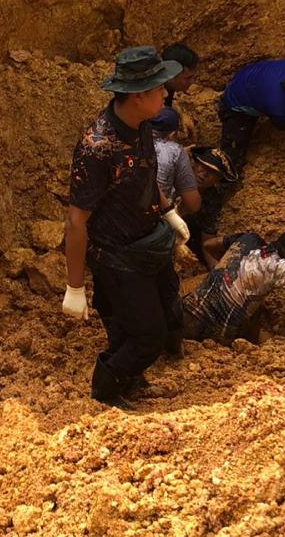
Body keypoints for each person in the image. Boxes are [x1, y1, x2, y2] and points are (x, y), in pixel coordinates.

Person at [62, 47, 191, 406]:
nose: (165, 93)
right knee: (147, 336)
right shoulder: (98, 147)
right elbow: (76, 220)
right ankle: (105, 390)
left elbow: (147, 174)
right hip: (116, 254)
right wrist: (75, 286)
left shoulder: (142, 125)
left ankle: (131, 380)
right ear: (138, 95)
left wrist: (168, 212)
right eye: (159, 87)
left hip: (147, 241)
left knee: (160, 316)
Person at [181, 230, 285, 344]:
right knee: (261, 334)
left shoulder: (249, 239)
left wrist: (223, 268)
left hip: (186, 312)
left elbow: (208, 245)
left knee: (255, 312)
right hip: (215, 335)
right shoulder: (280, 268)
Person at [183, 146, 239, 267]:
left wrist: (216, 269)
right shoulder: (175, 179)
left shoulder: (211, 199)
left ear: (218, 179)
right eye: (203, 166)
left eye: (213, 172)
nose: (204, 174)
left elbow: (207, 239)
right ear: (194, 164)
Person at [151, 106, 202, 215]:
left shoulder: (124, 140)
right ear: (172, 134)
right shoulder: (176, 151)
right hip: (153, 217)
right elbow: (193, 204)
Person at [162, 42, 200, 140]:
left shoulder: (167, 84)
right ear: (171, 76)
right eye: (188, 78)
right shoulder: (151, 94)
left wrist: (182, 115)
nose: (192, 82)